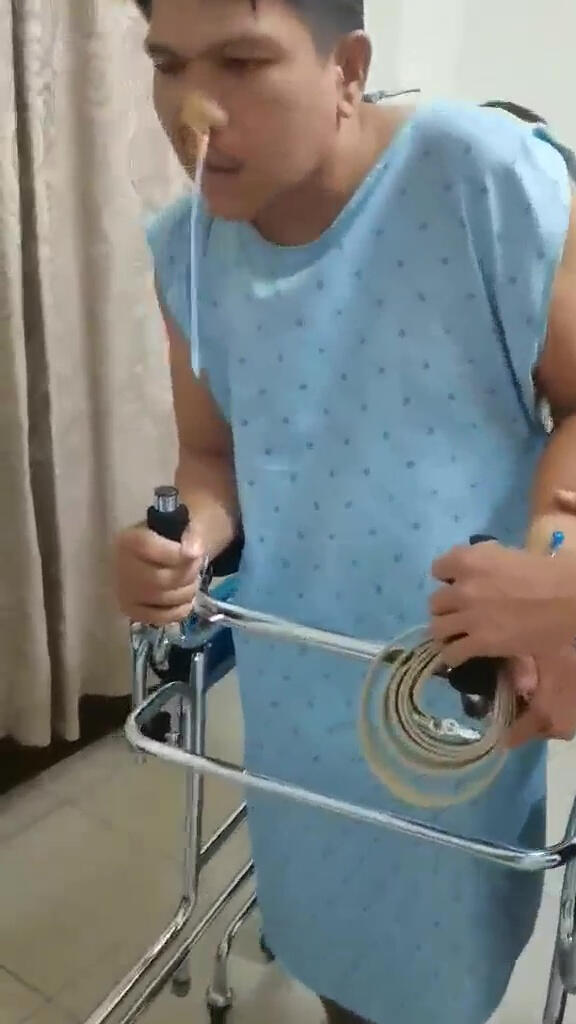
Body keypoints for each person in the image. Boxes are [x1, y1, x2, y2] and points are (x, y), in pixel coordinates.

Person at [114, 2, 576, 1022]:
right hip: (299, 691)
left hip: (454, 686)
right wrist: (185, 539)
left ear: (348, 67)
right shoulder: (187, 249)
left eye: (242, 62)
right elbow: (212, 455)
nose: (194, 112)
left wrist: (554, 561)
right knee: (335, 954)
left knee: (442, 966)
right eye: (169, 64)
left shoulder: (482, 179)